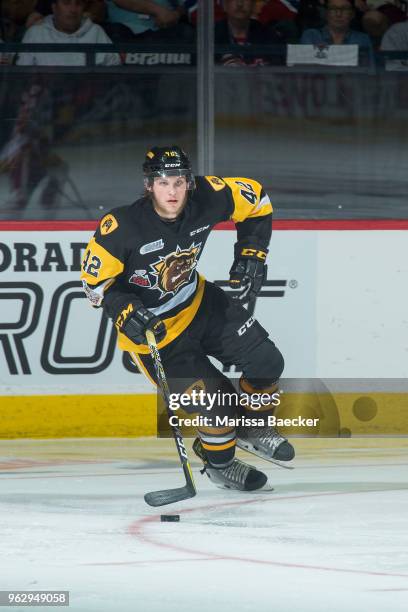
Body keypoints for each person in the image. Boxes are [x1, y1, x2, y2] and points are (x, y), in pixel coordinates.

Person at [80, 146, 295, 492]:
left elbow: (257, 200)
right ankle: (220, 464)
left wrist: (252, 253)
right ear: (148, 185)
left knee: (267, 361)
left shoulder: (208, 196)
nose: (173, 192)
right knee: (217, 408)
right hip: (156, 335)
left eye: (179, 182)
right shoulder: (120, 227)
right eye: (163, 183)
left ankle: (252, 427)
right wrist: (124, 309)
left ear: (189, 183)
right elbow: (95, 285)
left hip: (200, 305)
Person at [17, 0, 120, 66]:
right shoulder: (35, 33)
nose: (73, 10)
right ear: (54, 7)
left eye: (78, 3)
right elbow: (23, 79)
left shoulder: (96, 32)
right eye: (66, 3)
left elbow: (114, 72)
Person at [215, 0, 285, 65]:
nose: (240, 4)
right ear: (224, 5)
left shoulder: (270, 36)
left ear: (253, 5)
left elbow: (277, 73)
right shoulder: (210, 35)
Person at [300, 0, 373, 49]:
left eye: (344, 9)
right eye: (333, 9)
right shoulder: (311, 36)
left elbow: (368, 69)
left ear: (352, 14)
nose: (338, 14)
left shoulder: (362, 39)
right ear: (326, 13)